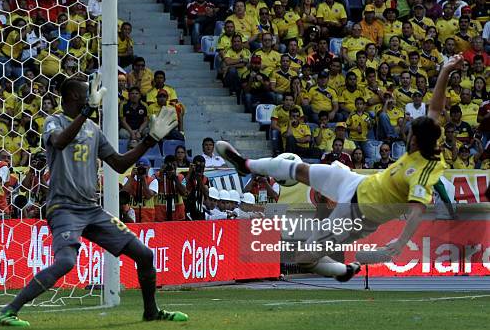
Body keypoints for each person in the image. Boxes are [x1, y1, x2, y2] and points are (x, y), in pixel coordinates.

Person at [215, 55, 464, 282]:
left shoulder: (424, 171)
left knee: (305, 258)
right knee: (299, 169)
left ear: (416, 141)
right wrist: (445, 70)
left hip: (358, 213)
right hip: (354, 182)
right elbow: (435, 107)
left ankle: (341, 270)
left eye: (409, 136)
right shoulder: (428, 132)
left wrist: (399, 245)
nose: (406, 138)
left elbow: (417, 211)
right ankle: (246, 164)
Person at [0, 75, 187, 326]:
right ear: (74, 96)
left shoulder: (93, 130)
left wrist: (150, 140)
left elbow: (119, 164)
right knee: (65, 262)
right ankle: (9, 310)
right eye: (87, 92)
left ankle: (151, 311)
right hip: (64, 208)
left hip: (91, 209)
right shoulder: (54, 122)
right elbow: (60, 142)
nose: (92, 94)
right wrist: (87, 111)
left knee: (145, 255)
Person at [154, 155, 187, 221]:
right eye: (169, 165)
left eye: (173, 165)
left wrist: (175, 178)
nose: (171, 167)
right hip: (160, 215)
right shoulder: (156, 176)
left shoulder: (180, 177)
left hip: (178, 215)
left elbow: (184, 193)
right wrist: (161, 174)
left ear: (176, 165)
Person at [185, 155, 210, 220]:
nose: (200, 169)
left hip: (199, 210)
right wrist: (190, 172)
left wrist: (199, 179)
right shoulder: (186, 175)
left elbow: (206, 197)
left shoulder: (205, 179)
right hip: (187, 209)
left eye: (202, 167)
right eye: (198, 166)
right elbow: (183, 186)